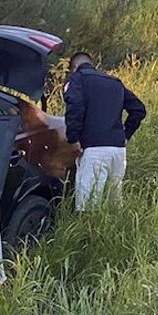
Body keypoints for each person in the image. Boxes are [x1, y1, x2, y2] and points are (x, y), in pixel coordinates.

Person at [63, 53, 146, 211]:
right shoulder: (115, 82)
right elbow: (139, 110)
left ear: (73, 68)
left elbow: (74, 109)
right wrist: (126, 135)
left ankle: (89, 235)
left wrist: (73, 139)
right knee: (113, 204)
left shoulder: (78, 79)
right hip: (118, 151)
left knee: (88, 206)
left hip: (94, 151)